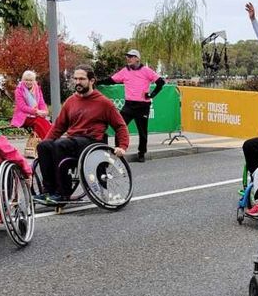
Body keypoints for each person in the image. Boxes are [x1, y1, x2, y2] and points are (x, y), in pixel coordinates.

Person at [34, 65, 130, 203]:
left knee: (61, 144)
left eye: (82, 79)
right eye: (76, 79)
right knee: (44, 146)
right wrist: (46, 143)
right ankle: (49, 191)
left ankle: (63, 192)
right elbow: (58, 126)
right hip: (73, 140)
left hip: (92, 141)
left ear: (92, 81)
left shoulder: (103, 102)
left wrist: (122, 146)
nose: (78, 82)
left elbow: (120, 126)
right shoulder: (71, 101)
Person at [99, 49, 165, 162]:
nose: (128, 58)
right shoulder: (125, 71)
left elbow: (161, 82)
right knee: (119, 127)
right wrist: (97, 82)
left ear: (137, 58)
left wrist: (152, 94)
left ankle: (142, 153)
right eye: (127, 56)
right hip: (129, 105)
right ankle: (118, 151)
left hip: (143, 105)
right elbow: (111, 80)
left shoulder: (146, 71)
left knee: (142, 131)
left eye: (131, 56)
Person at [11, 70, 52, 139]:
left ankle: (51, 140)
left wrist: (44, 111)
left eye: (31, 80)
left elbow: (41, 102)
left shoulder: (37, 89)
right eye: (26, 80)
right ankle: (46, 142)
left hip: (36, 115)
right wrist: (36, 111)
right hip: (23, 116)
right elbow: (22, 107)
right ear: (23, 80)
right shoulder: (19, 90)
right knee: (38, 122)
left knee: (46, 123)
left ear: (34, 80)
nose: (28, 82)